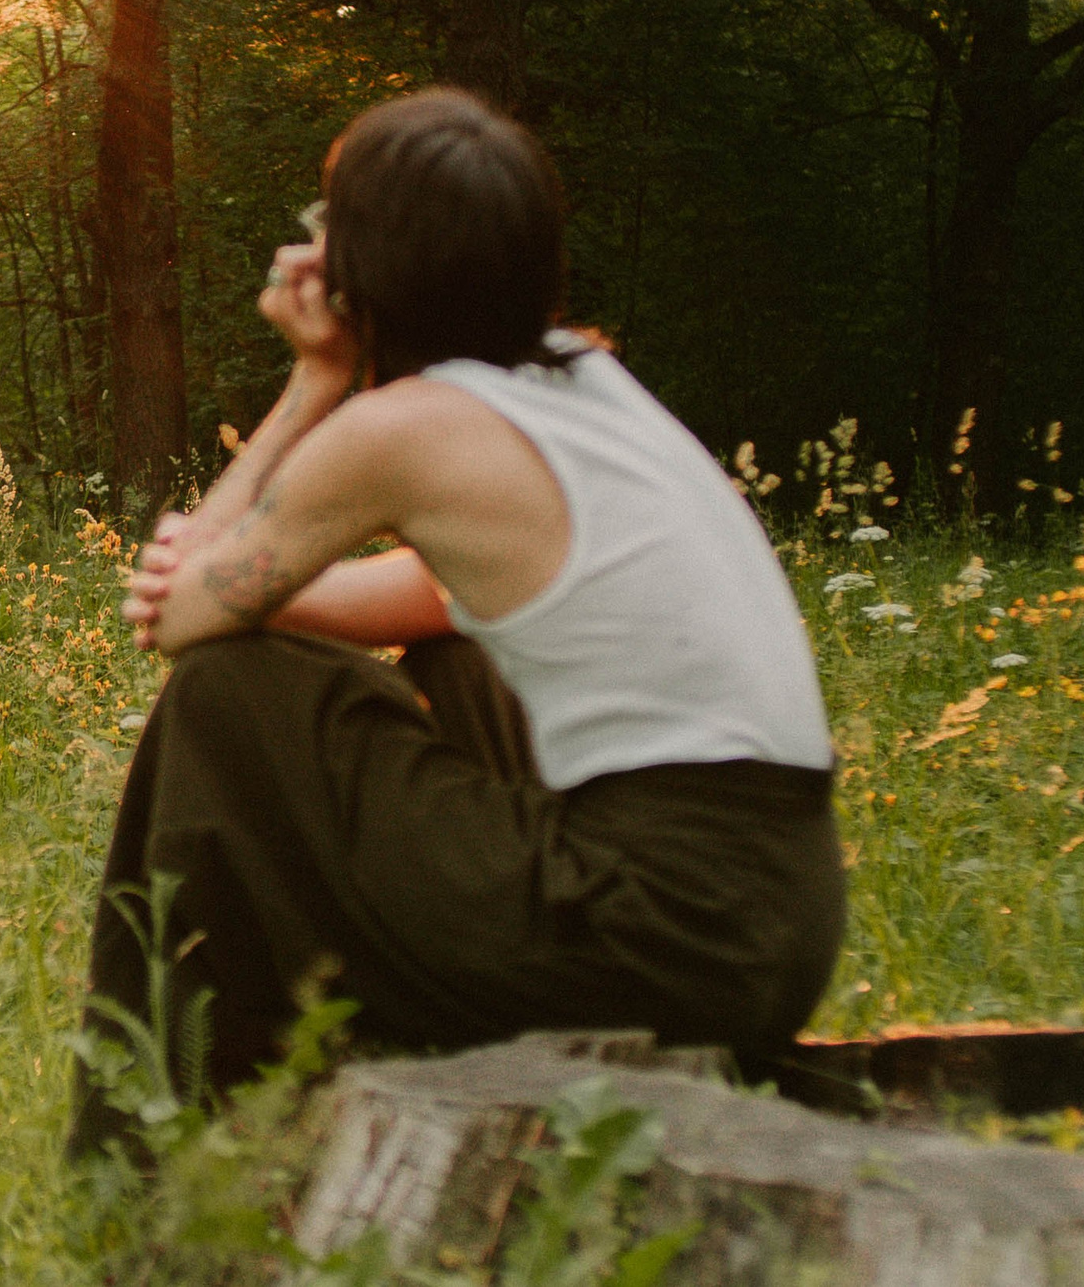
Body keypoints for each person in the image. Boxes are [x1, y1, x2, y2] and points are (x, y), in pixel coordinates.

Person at [71, 87, 842, 1159]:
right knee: (448, 649)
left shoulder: (398, 428)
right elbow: (434, 601)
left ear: (363, 266)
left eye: (325, 218)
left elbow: (181, 623)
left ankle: (152, 1157)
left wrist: (313, 379)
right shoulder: (580, 380)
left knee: (224, 697)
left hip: (656, 929)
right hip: (773, 925)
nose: (306, 240)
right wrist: (244, 585)